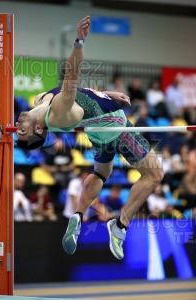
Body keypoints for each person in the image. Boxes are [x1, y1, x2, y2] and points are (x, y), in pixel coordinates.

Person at [16, 16, 164, 260]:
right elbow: (72, 76)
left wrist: (106, 93)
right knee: (155, 173)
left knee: (101, 172)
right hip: (116, 125)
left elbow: (85, 95)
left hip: (101, 126)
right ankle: (121, 225)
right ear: (40, 131)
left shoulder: (39, 101)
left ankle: (78, 215)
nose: (19, 124)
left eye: (18, 128)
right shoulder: (60, 113)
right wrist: (79, 43)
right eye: (23, 130)